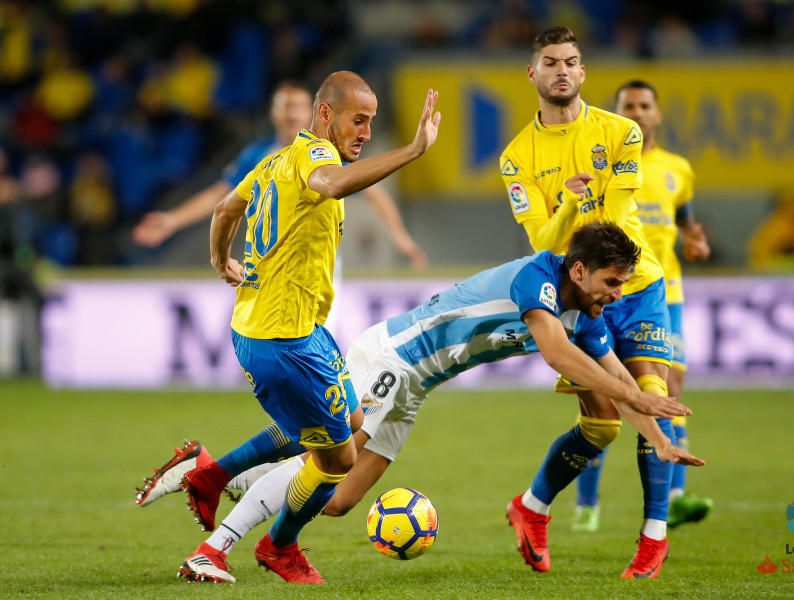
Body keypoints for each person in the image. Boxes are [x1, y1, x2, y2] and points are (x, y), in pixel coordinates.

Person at [135, 222, 704, 584]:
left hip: (417, 385)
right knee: (325, 459)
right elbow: (558, 356)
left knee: (336, 499)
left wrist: (657, 436)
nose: (618, 294)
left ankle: (213, 472)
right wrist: (632, 392)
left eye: (625, 283)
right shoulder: (541, 280)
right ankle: (223, 531)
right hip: (395, 358)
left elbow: (611, 377)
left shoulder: (587, 315)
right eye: (612, 281)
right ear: (580, 270)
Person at [196, 71, 441, 584]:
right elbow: (331, 184)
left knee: (348, 423)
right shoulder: (314, 157)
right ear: (325, 114)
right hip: (284, 341)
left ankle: (217, 475)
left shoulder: (273, 161)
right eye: (359, 120)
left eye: (372, 123)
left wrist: (221, 262)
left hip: (283, 329)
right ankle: (262, 547)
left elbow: (225, 209)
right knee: (337, 462)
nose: (366, 133)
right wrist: (412, 150)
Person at [498, 26, 677, 578]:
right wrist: (567, 207)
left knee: (650, 397)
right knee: (602, 426)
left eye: (571, 62)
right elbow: (542, 245)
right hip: (576, 298)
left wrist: (577, 220)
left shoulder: (621, 132)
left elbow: (619, 223)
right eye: (550, 62)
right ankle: (531, 506)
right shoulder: (515, 157)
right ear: (533, 73)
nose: (562, 71)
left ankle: (654, 537)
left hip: (634, 283)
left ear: (583, 71)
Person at [572, 80, 713, 533]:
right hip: (610, 291)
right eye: (627, 106)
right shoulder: (607, 164)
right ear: (615, 114)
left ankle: (674, 497)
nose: (636, 112)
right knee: (602, 399)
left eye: (644, 105)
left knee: (667, 386)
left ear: (656, 113)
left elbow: (687, 223)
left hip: (662, 291)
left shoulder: (679, 170)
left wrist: (695, 241)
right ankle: (587, 503)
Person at [132, 80, 428, 270]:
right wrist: (172, 220)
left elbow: (374, 193)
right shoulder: (256, 155)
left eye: (297, 107)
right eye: (284, 107)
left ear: (310, 112)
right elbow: (218, 195)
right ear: (273, 114)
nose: (290, 114)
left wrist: (400, 237)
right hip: (266, 265)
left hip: (315, 265)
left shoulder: (325, 154)